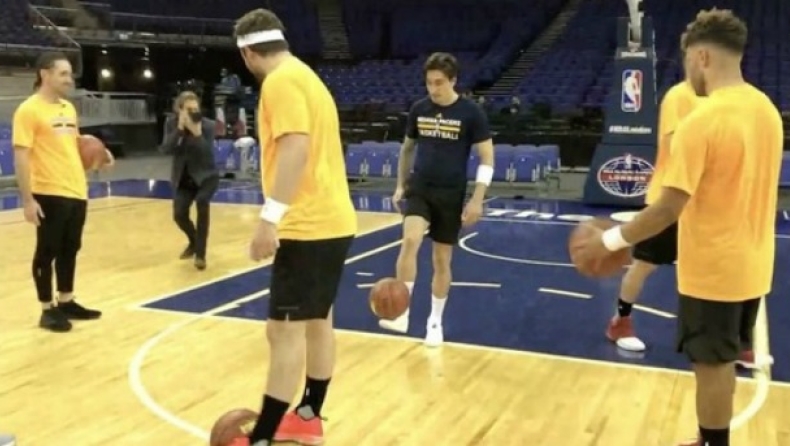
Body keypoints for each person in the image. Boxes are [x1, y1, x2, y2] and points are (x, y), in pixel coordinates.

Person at [573, 9, 783, 446]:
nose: (688, 69)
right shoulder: (767, 110)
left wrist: (607, 240)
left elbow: (668, 207)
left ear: (702, 56)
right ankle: (709, 437)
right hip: (754, 263)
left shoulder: (701, 122)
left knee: (711, 365)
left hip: (713, 267)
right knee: (723, 358)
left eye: (688, 59)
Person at [232, 8, 357, 446]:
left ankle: (262, 437)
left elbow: (295, 149)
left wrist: (269, 218)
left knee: (283, 332)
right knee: (318, 322)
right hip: (334, 219)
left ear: (248, 53)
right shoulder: (306, 76)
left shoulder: (280, 82)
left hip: (308, 224)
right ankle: (308, 417)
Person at [378, 52, 495, 347]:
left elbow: (487, 158)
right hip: (421, 188)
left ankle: (435, 321)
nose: (433, 88)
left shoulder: (471, 113)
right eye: (429, 82)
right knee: (410, 240)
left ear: (453, 81)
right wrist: (400, 185)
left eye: (439, 82)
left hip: (451, 193)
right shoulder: (419, 109)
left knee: (441, 260)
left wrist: (477, 199)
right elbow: (407, 149)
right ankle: (402, 312)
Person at [606, 35, 702, 352]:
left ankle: (722, 335)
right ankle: (620, 322)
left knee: (706, 268)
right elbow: (675, 146)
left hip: (703, 201)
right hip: (668, 197)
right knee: (644, 264)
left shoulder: (720, 101)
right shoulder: (680, 96)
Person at [12, 51, 113, 333]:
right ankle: (47, 309)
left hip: (76, 189)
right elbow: (21, 156)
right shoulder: (28, 110)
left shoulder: (68, 108)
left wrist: (101, 154)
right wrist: (28, 200)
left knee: (71, 248)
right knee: (47, 251)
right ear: (45, 74)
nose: (70, 79)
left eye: (70, 73)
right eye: (63, 74)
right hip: (48, 191)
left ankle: (66, 300)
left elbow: (76, 144)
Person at [159, 90, 219, 270]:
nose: (193, 112)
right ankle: (194, 241)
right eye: (189, 109)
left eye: (195, 109)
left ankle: (201, 255)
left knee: (202, 203)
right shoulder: (171, 123)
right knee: (179, 215)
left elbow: (208, 156)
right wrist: (179, 130)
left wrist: (197, 134)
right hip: (184, 178)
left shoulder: (208, 125)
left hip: (206, 176)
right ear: (180, 110)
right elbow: (166, 149)